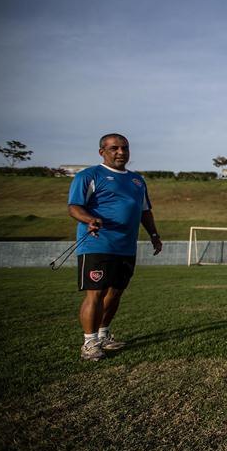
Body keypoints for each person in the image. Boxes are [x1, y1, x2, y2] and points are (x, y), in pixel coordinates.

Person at [67, 133, 163, 361]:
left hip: (126, 247)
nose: (121, 152)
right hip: (97, 243)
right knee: (96, 293)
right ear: (102, 151)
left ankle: (103, 335)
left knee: (116, 292)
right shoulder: (88, 176)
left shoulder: (137, 180)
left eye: (125, 148)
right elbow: (74, 207)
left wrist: (154, 235)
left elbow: (144, 211)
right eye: (114, 148)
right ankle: (89, 343)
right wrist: (89, 219)